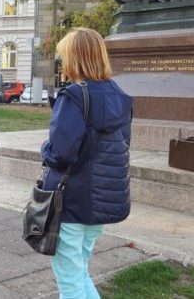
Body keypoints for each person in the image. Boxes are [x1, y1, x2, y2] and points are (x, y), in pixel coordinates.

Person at [41, 28, 133, 299]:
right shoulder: (121, 96)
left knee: (70, 280)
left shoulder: (73, 97)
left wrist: (44, 148)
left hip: (71, 200)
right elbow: (122, 145)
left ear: (74, 58)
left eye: (63, 57)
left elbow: (59, 154)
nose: (61, 63)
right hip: (103, 199)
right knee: (79, 271)